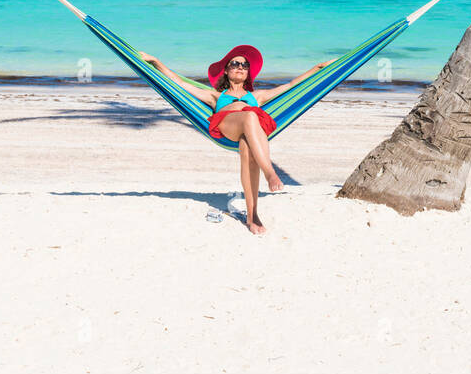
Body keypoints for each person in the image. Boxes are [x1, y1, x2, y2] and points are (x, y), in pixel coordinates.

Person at [139, 44, 330, 235]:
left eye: (245, 65)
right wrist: (156, 62)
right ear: (226, 70)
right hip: (228, 124)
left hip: (252, 130)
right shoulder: (215, 96)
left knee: (248, 148)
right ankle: (269, 172)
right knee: (249, 116)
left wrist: (318, 68)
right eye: (235, 63)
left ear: (248, 73)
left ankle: (253, 215)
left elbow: (290, 86)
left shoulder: (258, 96)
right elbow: (180, 83)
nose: (240, 66)